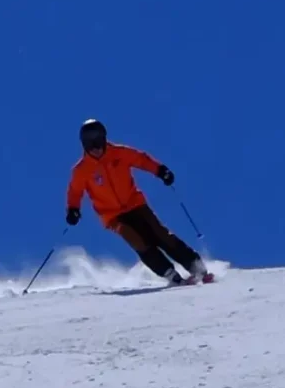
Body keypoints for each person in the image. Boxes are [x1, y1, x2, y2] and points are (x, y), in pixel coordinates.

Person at [65, 118, 213, 285]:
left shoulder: (119, 153)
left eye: (99, 142)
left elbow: (141, 160)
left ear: (105, 139)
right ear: (84, 145)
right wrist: (73, 209)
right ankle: (170, 273)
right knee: (138, 241)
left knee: (160, 233)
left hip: (135, 204)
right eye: (91, 144)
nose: (96, 148)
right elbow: (75, 192)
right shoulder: (82, 170)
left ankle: (196, 267)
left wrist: (160, 170)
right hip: (113, 216)